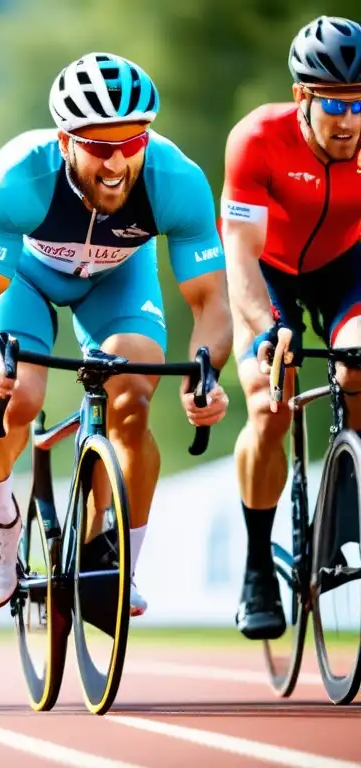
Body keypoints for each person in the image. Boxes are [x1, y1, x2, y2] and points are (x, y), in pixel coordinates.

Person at [0, 52, 232, 617]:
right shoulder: (20, 178)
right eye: (100, 146)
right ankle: (0, 515)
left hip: (118, 281)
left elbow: (211, 300)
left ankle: (116, 553)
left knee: (132, 398)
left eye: (132, 143)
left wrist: (206, 371)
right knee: (17, 394)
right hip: (24, 280)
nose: (116, 162)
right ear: (65, 140)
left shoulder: (175, 181)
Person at [221, 16, 361, 640]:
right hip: (269, 272)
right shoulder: (257, 139)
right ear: (302, 97)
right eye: (335, 103)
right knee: (268, 405)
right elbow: (240, 256)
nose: (349, 122)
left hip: (346, 268)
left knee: (356, 362)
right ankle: (256, 563)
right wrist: (266, 327)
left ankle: (347, 504)